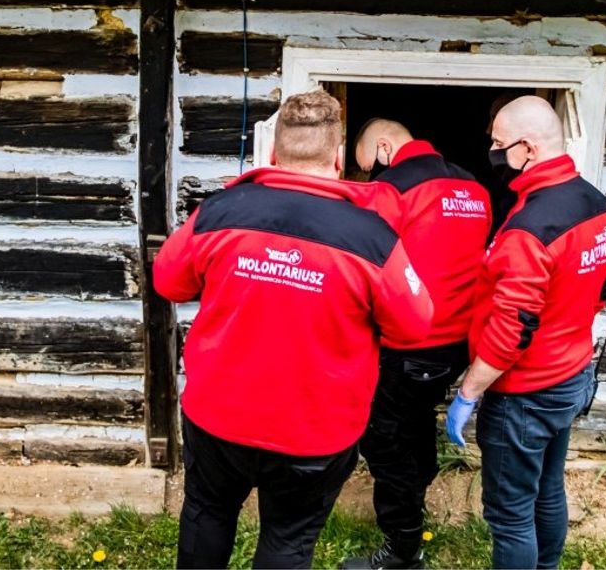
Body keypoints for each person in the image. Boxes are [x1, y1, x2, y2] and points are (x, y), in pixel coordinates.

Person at [154, 90, 433, 569]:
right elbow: (415, 324)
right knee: (287, 541)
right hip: (314, 432)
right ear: (339, 158)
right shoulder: (371, 237)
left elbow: (168, 280)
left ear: (274, 154)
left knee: (207, 514)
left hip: (220, 415)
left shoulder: (221, 211)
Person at [445, 96, 606, 570]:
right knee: (547, 488)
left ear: (527, 148)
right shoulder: (592, 202)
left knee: (510, 514)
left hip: (524, 393)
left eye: (500, 144)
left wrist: (468, 393)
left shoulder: (530, 228)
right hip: (571, 375)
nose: (494, 153)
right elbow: (601, 288)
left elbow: (510, 330)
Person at [345, 119, 491, 569]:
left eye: (369, 165)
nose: (370, 175)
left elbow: (365, 261)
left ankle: (403, 548)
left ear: (385, 147)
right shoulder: (475, 187)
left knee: (384, 440)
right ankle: (415, 500)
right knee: (416, 421)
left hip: (407, 341)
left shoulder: (390, 191)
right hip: (457, 344)